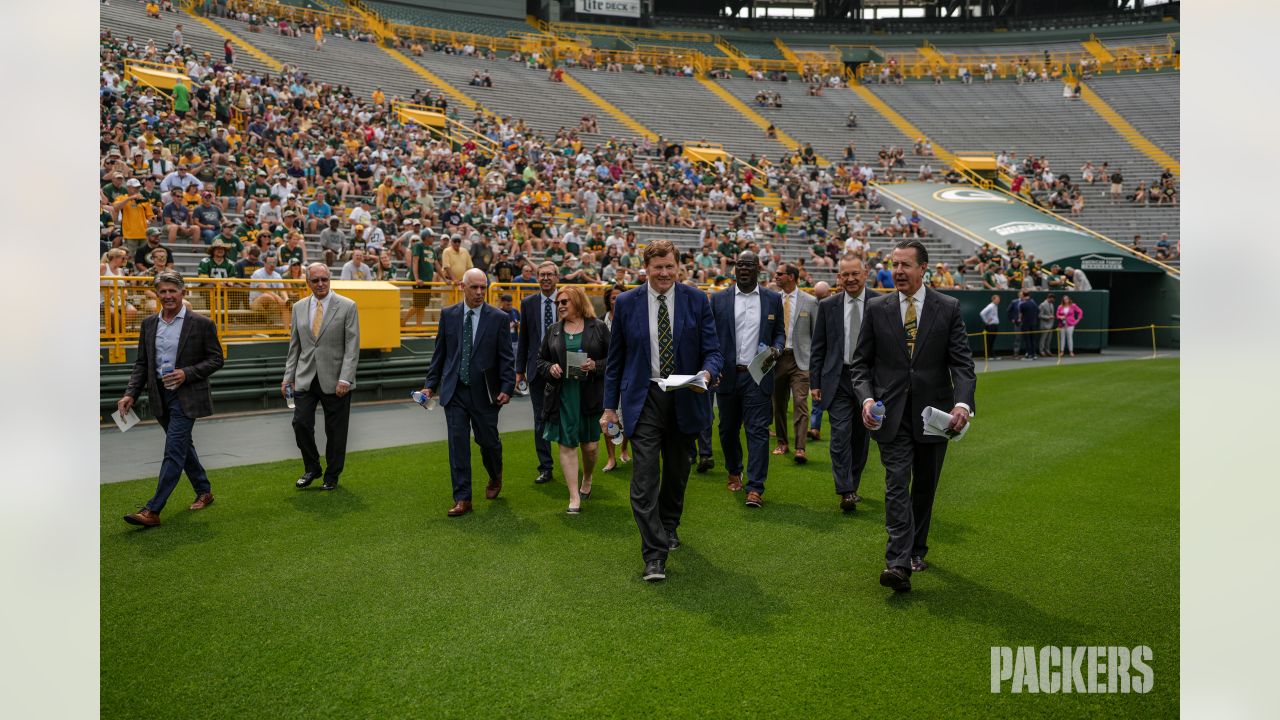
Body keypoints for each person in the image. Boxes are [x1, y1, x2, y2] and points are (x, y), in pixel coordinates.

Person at [851, 240, 976, 593]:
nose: (899, 271)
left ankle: (917, 549)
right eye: (895, 264)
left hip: (934, 417)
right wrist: (866, 399)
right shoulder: (877, 308)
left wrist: (962, 405)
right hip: (889, 416)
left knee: (924, 487)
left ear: (924, 268)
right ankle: (898, 563)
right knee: (895, 484)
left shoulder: (948, 307)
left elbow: (963, 366)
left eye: (906, 265)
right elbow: (860, 365)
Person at [601, 239, 723, 582]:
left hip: (686, 396)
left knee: (676, 474)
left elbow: (712, 350)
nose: (665, 273)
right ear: (646, 269)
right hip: (644, 398)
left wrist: (708, 372)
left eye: (670, 267)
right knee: (643, 480)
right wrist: (610, 408)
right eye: (658, 268)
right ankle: (654, 555)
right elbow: (615, 362)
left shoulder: (697, 300)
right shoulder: (626, 303)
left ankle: (669, 526)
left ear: (679, 266)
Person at [119, 271, 225, 527]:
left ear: (182, 293)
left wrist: (186, 373)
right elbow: (142, 364)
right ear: (157, 295)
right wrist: (130, 393)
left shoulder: (201, 323)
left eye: (172, 291)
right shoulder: (148, 325)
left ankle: (153, 510)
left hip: (186, 396)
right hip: (159, 396)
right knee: (182, 447)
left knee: (173, 450)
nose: (168, 296)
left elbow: (216, 359)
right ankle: (204, 490)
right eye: (163, 291)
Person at [422, 269, 515, 517]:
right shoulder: (448, 315)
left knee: (489, 443)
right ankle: (463, 498)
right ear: (462, 286)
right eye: (474, 287)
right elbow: (440, 354)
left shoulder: (498, 318)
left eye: (483, 288)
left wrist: (507, 387)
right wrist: (430, 385)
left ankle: (495, 474)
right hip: (454, 392)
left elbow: (506, 357)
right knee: (458, 446)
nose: (479, 293)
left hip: (485, 394)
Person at [710, 251, 784, 508]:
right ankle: (734, 470)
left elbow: (780, 334)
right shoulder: (719, 299)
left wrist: (777, 349)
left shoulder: (773, 299)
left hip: (758, 375)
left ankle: (755, 487)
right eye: (739, 264)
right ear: (734, 268)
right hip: (727, 375)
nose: (743, 268)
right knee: (727, 430)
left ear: (758, 269)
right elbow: (709, 337)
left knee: (758, 432)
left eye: (749, 265)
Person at [283, 263, 361, 491]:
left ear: (330, 279)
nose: (320, 284)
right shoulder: (298, 307)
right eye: (315, 280)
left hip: (337, 380)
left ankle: (332, 475)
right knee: (300, 423)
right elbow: (294, 346)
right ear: (308, 283)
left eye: (324, 279)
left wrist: (345, 378)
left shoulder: (347, 306)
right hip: (305, 377)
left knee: (336, 432)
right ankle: (312, 467)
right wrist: (288, 377)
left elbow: (352, 346)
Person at [537, 285, 610, 514]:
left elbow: (615, 360)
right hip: (562, 396)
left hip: (589, 395)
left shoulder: (598, 328)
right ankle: (573, 496)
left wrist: (595, 366)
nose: (560, 306)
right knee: (567, 445)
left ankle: (587, 478)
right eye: (558, 302)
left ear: (578, 302)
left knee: (590, 447)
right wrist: (551, 368)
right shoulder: (553, 330)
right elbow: (540, 361)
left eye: (565, 301)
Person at [810, 255, 872, 513]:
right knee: (839, 436)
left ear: (865, 273)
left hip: (869, 382)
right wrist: (815, 381)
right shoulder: (828, 305)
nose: (850, 279)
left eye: (855, 273)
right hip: (838, 379)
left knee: (861, 438)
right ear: (839, 276)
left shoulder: (882, 302)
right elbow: (819, 347)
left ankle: (853, 485)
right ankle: (845, 490)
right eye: (845, 274)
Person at [516, 261, 559, 485]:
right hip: (536, 371)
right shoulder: (528, 303)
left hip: (564, 370)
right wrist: (519, 370)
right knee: (540, 419)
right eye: (541, 275)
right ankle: (546, 467)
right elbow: (523, 338)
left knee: (565, 416)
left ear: (556, 277)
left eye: (549, 275)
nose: (545, 278)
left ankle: (569, 461)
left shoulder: (567, 299)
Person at [771, 264, 818, 464]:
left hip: (802, 360)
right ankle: (782, 442)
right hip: (778, 359)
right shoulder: (772, 300)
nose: (776, 276)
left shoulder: (811, 301)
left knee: (800, 403)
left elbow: (817, 335)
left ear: (791, 277)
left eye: (780, 274)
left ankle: (800, 448)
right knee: (778, 404)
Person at [599, 284, 631, 472]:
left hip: (628, 375)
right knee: (609, 418)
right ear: (608, 301)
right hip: (607, 376)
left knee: (626, 415)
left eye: (620, 297)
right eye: (613, 298)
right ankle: (611, 458)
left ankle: (624, 449)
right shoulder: (600, 323)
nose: (617, 301)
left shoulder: (632, 318)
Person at [1016, 289, 1040, 359]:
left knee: (1027, 339)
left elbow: (1020, 316)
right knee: (1032, 339)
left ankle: (1029, 354)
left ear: (1023, 295)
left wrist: (1020, 320)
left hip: (1025, 324)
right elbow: (1037, 311)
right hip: (1033, 323)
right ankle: (1034, 354)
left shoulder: (1022, 304)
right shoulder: (1034, 303)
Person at [1038, 293, 1058, 357]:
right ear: (1049, 298)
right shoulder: (1042, 305)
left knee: (1049, 340)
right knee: (1043, 339)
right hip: (1044, 325)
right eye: (1053, 299)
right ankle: (1041, 351)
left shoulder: (1052, 304)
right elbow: (1039, 315)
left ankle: (1047, 350)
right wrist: (1048, 317)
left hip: (1050, 325)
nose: (1054, 300)